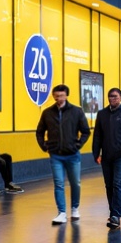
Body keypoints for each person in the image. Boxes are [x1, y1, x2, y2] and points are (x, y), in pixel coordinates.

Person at [35, 84, 91, 225]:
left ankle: (74, 208)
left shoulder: (77, 112)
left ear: (66, 95)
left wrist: (77, 145)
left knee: (75, 183)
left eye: (61, 95)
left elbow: (86, 131)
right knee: (59, 183)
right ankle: (61, 212)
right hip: (55, 154)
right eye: (56, 95)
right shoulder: (47, 113)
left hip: (73, 154)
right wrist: (44, 146)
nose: (58, 98)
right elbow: (39, 131)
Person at [93, 88, 121, 230]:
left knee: (117, 183)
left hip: (120, 156)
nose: (113, 99)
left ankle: (116, 216)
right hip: (106, 156)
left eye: (116, 97)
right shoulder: (102, 114)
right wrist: (96, 153)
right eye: (111, 97)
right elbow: (97, 136)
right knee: (109, 185)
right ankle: (113, 212)